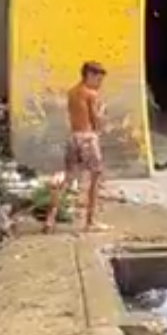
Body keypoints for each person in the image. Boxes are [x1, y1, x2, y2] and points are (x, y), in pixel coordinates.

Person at [45, 61, 108, 233]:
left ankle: (50, 220)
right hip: (88, 138)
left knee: (67, 178)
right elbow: (95, 120)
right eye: (98, 78)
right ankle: (90, 222)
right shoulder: (90, 93)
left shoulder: (72, 92)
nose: (99, 83)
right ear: (89, 75)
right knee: (95, 179)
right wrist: (102, 114)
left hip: (73, 137)